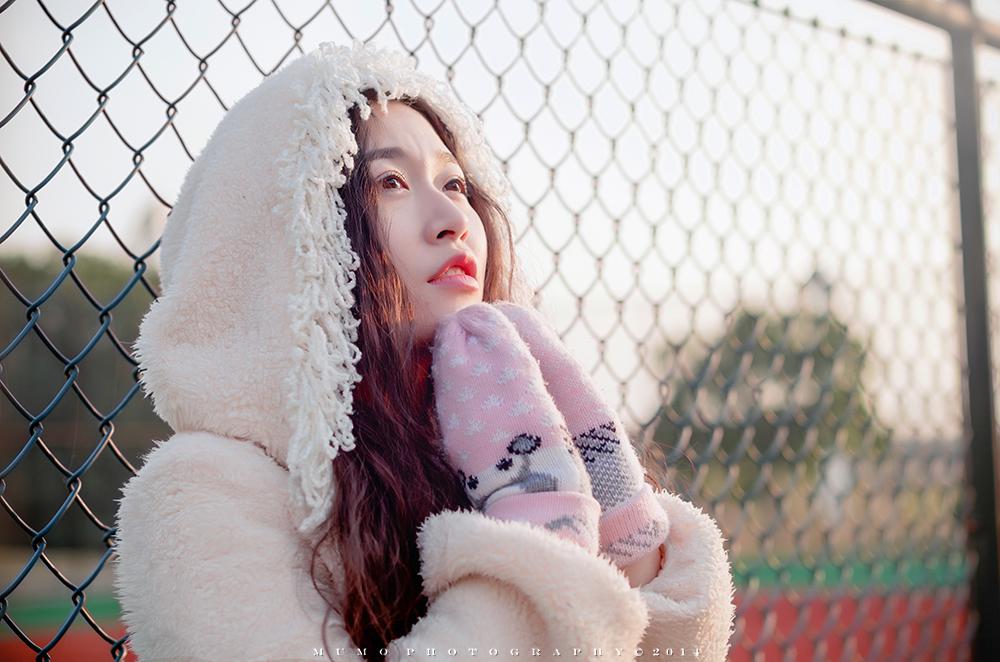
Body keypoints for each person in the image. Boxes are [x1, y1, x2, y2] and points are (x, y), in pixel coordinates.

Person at [111, 40, 736, 661]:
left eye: (455, 182)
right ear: (289, 236)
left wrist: (624, 524)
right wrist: (538, 540)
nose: (451, 219)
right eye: (390, 182)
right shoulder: (201, 493)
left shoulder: (491, 434)